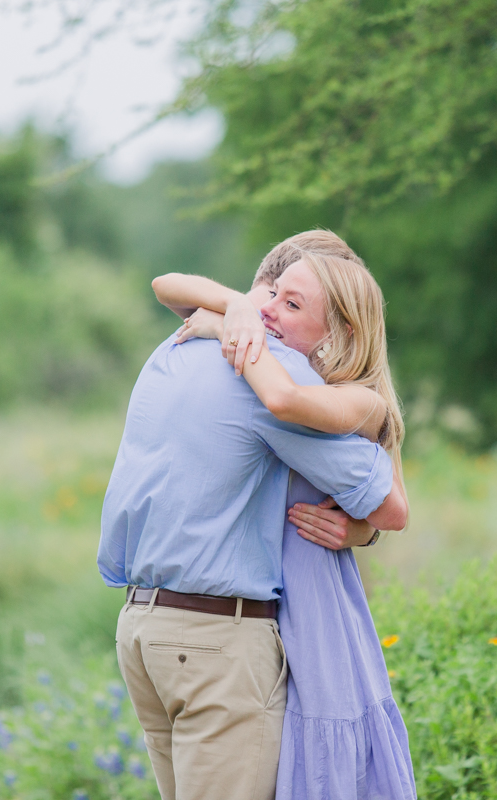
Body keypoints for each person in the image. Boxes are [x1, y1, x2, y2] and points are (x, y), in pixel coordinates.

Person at [98, 231, 408, 800]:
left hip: (142, 630)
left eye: (294, 304)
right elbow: (391, 505)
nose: (270, 310)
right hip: (215, 643)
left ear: (341, 331)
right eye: (274, 296)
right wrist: (363, 528)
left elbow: (168, 285)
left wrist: (228, 311)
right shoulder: (271, 371)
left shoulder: (179, 344)